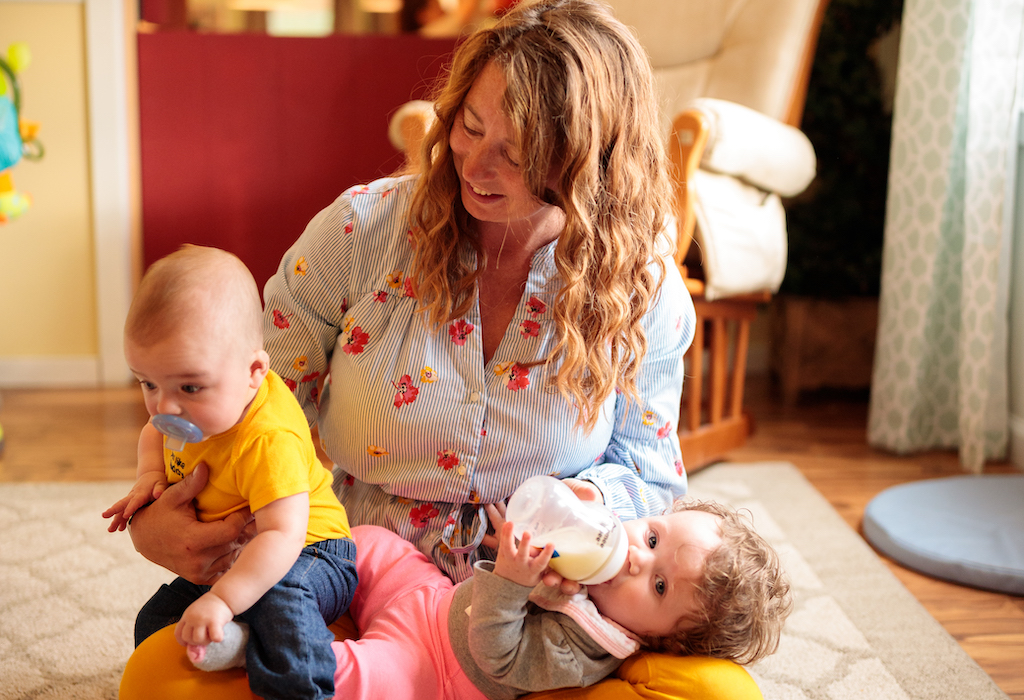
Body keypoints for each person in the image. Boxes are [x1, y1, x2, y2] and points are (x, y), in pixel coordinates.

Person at [123, 0, 697, 694]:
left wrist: (582, 510)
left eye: (516, 156)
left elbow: (652, 474)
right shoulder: (363, 233)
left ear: (589, 160)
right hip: (350, 587)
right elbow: (238, 388)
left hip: (539, 621)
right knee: (160, 664)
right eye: (470, 126)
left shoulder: (642, 287)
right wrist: (171, 525)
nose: (475, 167)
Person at [104, 245, 358, 700]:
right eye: (147, 383)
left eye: (188, 386)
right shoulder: (191, 408)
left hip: (311, 552)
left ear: (254, 372)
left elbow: (282, 537)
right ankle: (244, 643)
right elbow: (152, 433)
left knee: (280, 604)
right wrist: (148, 476)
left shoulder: (267, 438)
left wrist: (222, 599)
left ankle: (306, 687)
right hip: (240, 557)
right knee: (157, 619)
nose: (164, 407)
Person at [330, 497, 790, 699]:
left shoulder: (586, 651)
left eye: (659, 585)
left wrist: (510, 582)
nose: (634, 558)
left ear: (662, 642)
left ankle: (273, 640)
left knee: (351, 679)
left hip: (432, 670)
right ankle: (293, 567)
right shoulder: (595, 567)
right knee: (364, 542)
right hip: (431, 597)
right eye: (652, 538)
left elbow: (498, 657)